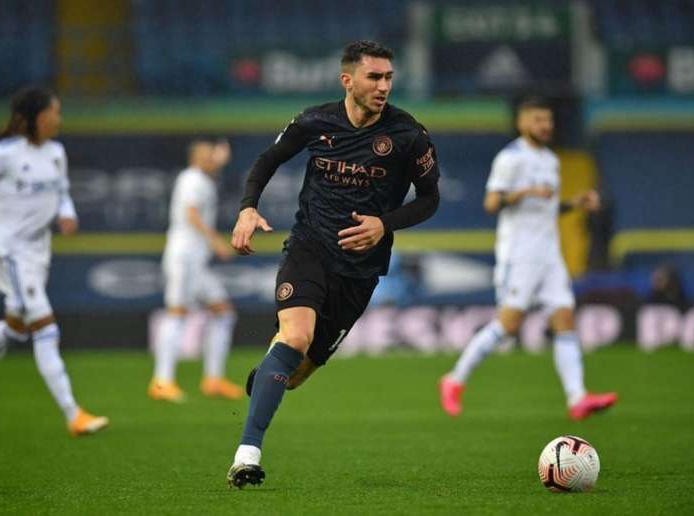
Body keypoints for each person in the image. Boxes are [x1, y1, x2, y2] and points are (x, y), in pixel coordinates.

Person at [226, 40, 440, 488]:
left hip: (360, 271)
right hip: (309, 248)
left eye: (388, 78)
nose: (383, 86)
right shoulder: (314, 120)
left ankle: (272, 370)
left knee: (295, 372)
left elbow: (430, 199)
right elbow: (268, 160)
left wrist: (385, 223)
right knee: (296, 336)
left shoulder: (409, 136)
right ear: (348, 80)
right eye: (373, 77)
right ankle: (247, 456)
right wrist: (248, 207)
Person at [0, 86, 108, 436]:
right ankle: (73, 413)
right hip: (12, 253)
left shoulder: (56, 152)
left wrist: (67, 213)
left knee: (16, 328)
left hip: (38, 252)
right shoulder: (1, 154)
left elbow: (62, 192)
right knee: (46, 328)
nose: (60, 118)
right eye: (56, 112)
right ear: (39, 117)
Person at [438, 98, 618, 421]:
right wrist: (524, 192)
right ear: (523, 123)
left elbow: (548, 207)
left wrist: (575, 203)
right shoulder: (511, 158)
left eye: (548, 120)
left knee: (564, 319)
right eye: (538, 120)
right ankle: (454, 379)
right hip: (518, 255)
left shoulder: (550, 159)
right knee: (508, 326)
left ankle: (577, 397)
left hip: (549, 254)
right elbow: (491, 203)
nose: (545, 125)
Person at [148, 140, 244, 402]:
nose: (212, 159)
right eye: (207, 155)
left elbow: (212, 171)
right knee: (177, 313)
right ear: (195, 159)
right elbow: (191, 213)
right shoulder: (191, 179)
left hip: (196, 263)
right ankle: (161, 381)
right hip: (183, 258)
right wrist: (215, 241)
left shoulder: (203, 178)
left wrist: (220, 161)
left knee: (223, 312)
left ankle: (213, 379)